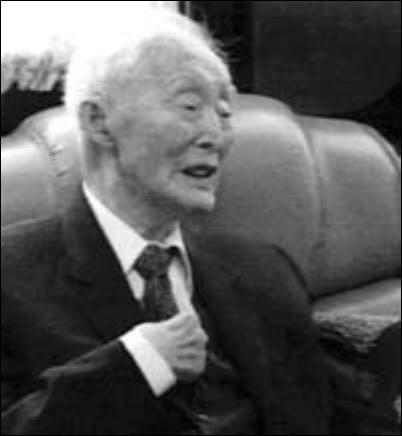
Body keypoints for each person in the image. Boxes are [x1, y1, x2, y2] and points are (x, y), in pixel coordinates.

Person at [1, 9, 332, 435]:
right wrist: (137, 365)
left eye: (224, 112)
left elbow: (328, 414)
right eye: (190, 106)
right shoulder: (11, 276)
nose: (215, 135)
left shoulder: (265, 270)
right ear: (98, 122)